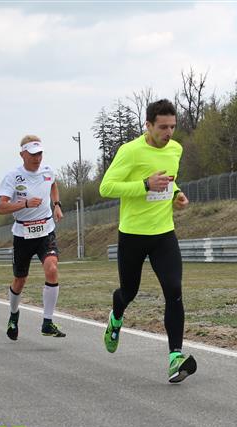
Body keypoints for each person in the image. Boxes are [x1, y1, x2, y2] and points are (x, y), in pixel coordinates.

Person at [99, 99, 196, 383]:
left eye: (173, 127)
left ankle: (175, 357)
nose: (169, 133)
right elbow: (106, 187)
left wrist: (176, 194)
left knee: (174, 290)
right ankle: (116, 317)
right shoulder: (130, 151)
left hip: (164, 234)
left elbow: (170, 180)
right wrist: (144, 185)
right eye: (163, 127)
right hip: (133, 235)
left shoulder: (176, 149)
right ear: (148, 125)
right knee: (128, 292)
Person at [0, 135, 64, 340]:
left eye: (40, 154)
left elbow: (53, 185)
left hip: (45, 231)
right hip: (23, 234)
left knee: (52, 269)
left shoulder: (48, 171)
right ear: (22, 155)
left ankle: (47, 322)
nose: (37, 158)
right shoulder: (12, 177)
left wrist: (57, 205)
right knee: (20, 280)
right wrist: (25, 204)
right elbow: (1, 207)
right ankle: (13, 315)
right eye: (33, 154)